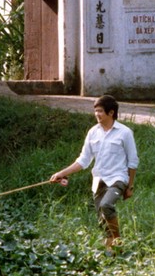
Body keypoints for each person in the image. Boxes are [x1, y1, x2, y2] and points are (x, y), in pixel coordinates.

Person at [50, 95, 139, 252]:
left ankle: (118, 241)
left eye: (100, 111)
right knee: (101, 218)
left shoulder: (125, 133)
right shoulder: (93, 132)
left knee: (106, 205)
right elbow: (83, 160)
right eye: (95, 111)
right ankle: (110, 248)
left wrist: (130, 186)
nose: (97, 114)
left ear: (111, 113)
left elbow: (133, 161)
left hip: (118, 178)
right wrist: (61, 173)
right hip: (98, 179)